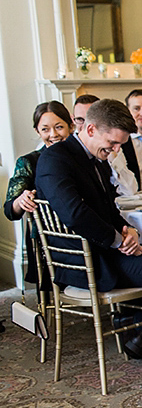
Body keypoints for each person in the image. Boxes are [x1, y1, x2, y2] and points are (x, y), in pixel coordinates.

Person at [35, 99, 142, 364]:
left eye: (120, 145)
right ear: (90, 129)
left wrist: (129, 231)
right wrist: (119, 242)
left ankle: (137, 326)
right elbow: (75, 215)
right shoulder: (54, 159)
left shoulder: (96, 157)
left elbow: (109, 208)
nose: (116, 150)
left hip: (106, 250)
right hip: (89, 262)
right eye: (113, 143)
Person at [4, 101, 73, 286]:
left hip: (83, 234)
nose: (53, 135)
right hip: (47, 242)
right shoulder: (28, 162)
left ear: (71, 126)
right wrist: (21, 200)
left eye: (59, 127)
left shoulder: (84, 159)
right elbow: (9, 210)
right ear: (37, 131)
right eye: (45, 129)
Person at [75, 95, 138, 197]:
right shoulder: (65, 156)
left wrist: (114, 161)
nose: (117, 149)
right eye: (80, 119)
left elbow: (130, 191)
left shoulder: (107, 148)